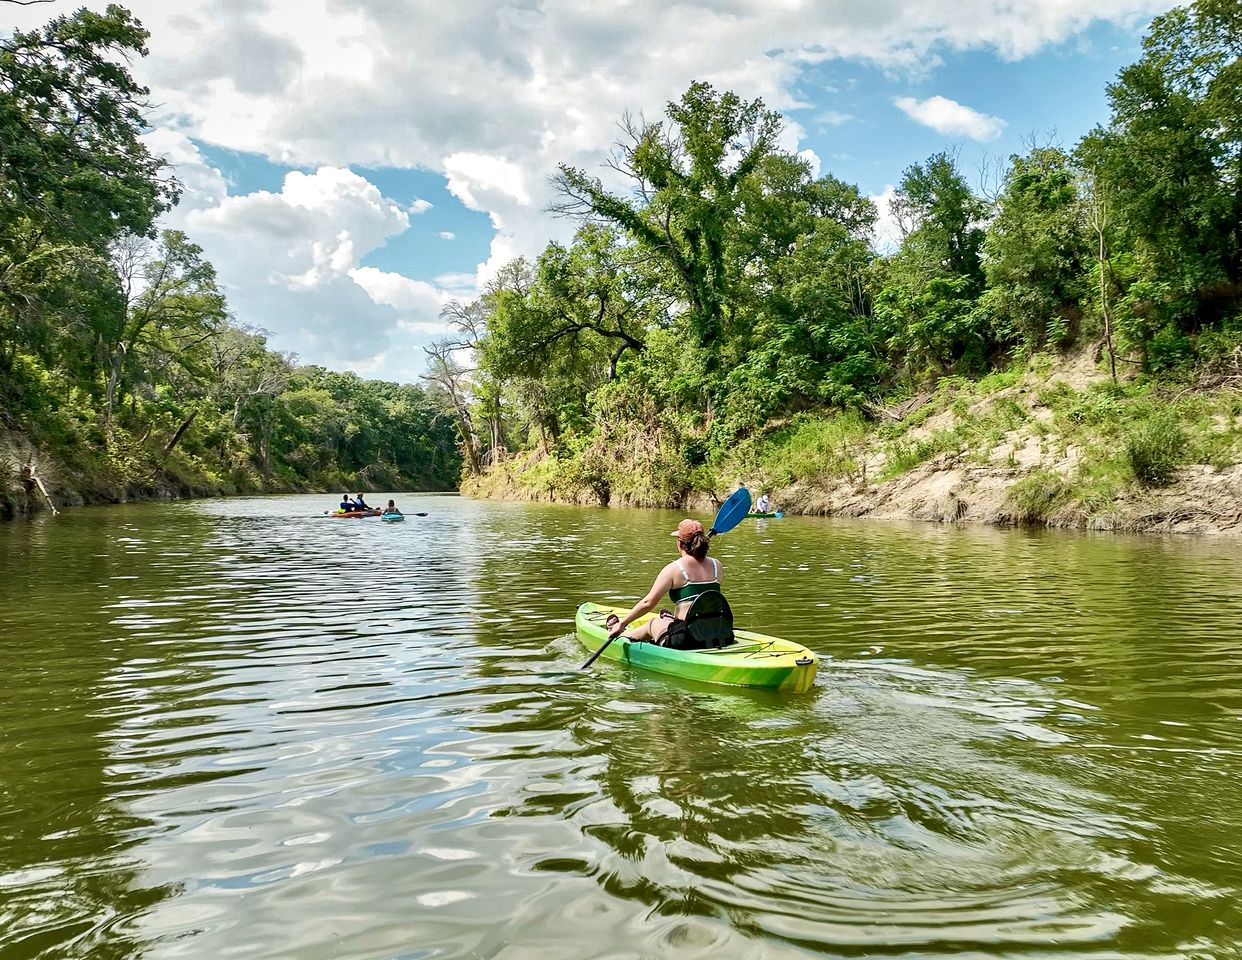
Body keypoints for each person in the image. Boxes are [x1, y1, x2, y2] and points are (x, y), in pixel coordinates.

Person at [606, 518, 724, 648]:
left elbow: (648, 603)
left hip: (688, 639)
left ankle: (623, 633)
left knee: (652, 624)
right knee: (675, 622)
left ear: (680, 543)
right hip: (720, 633)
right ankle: (670, 621)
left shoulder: (675, 569)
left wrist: (622, 623)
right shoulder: (716, 565)